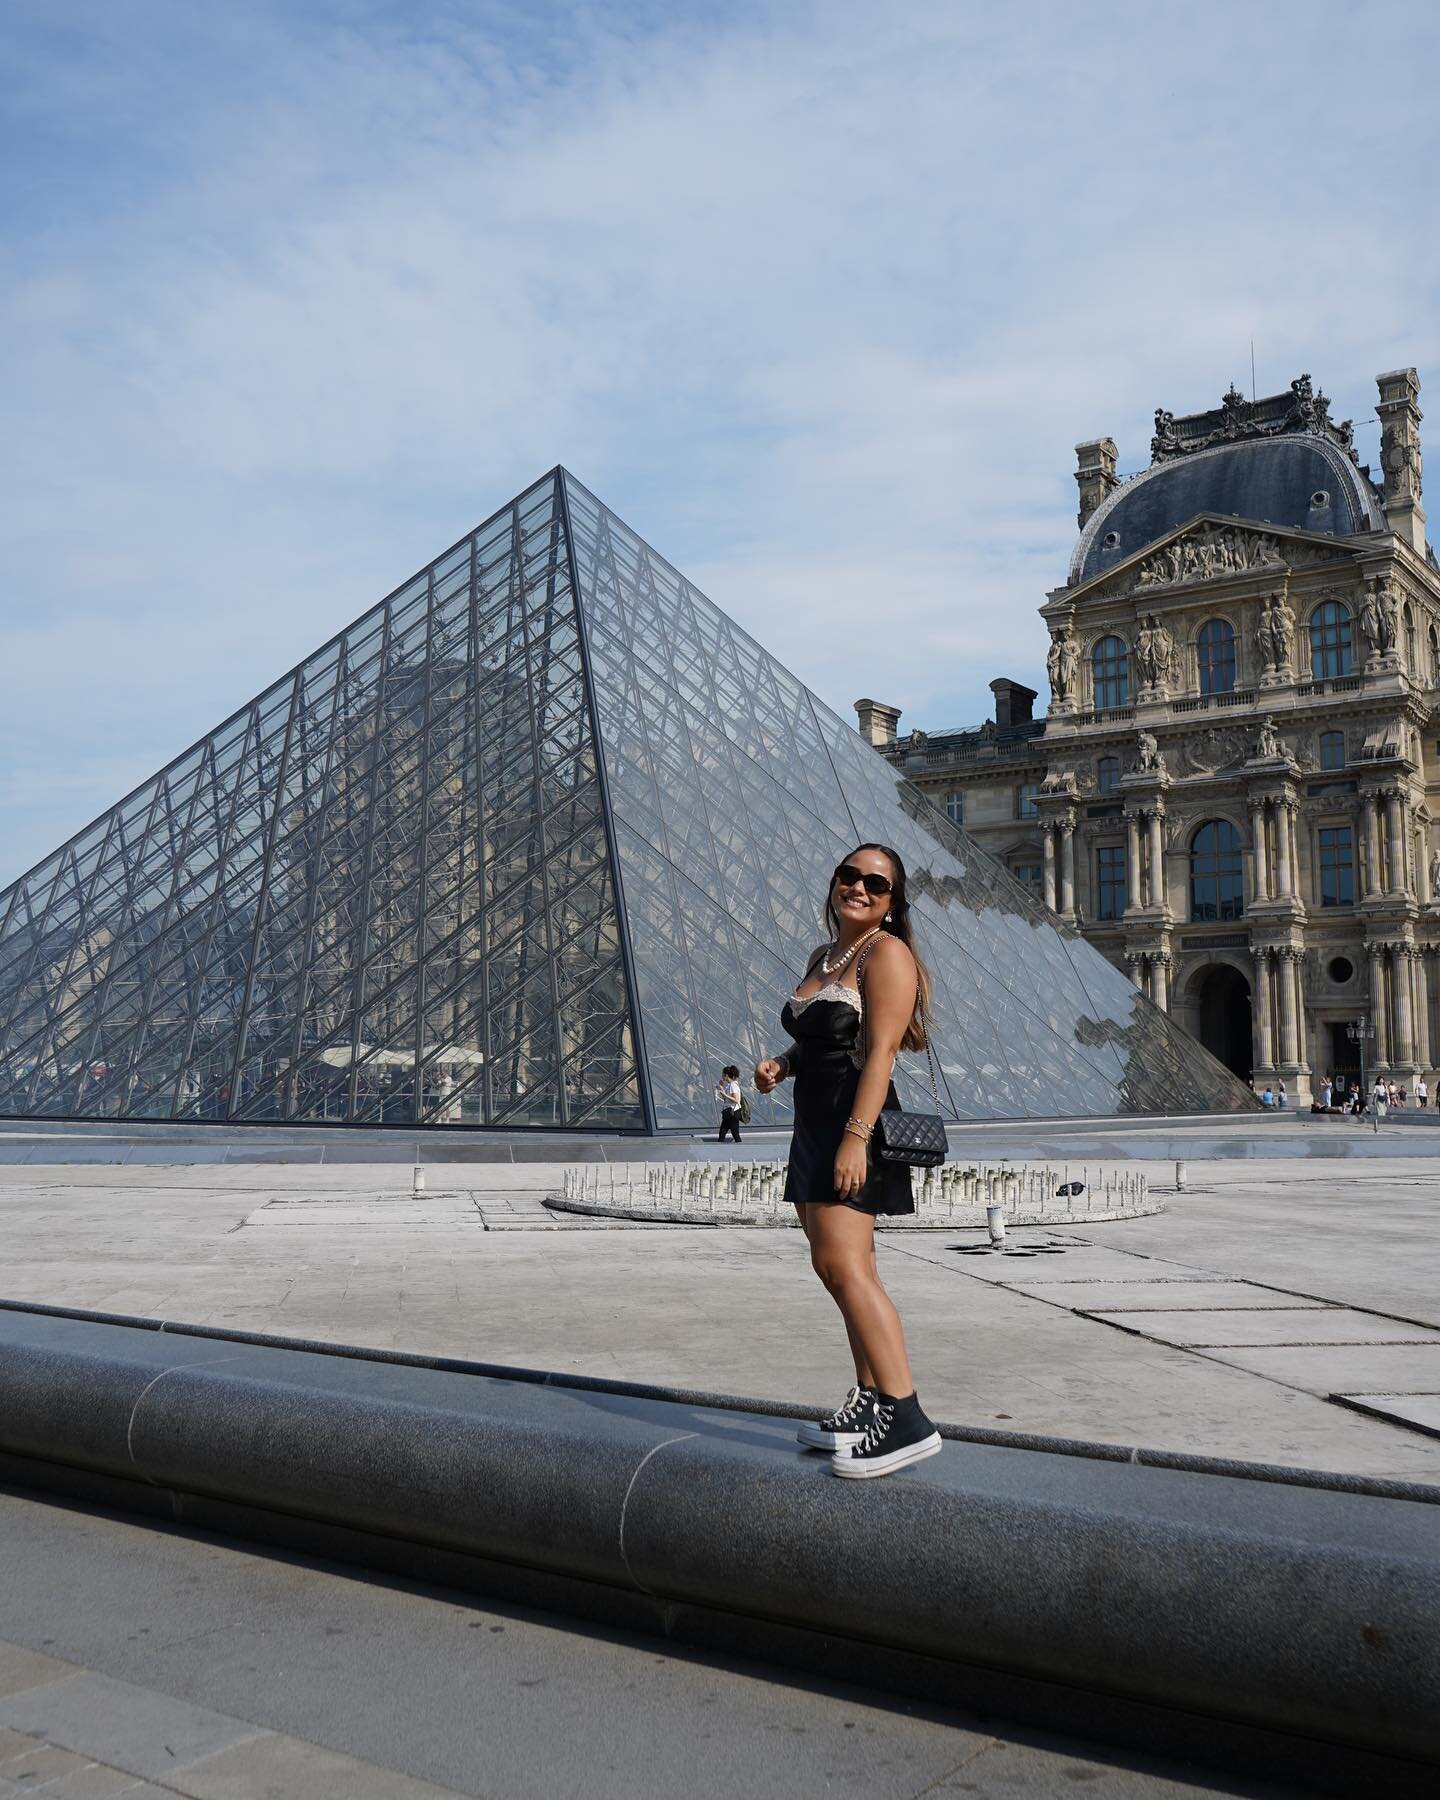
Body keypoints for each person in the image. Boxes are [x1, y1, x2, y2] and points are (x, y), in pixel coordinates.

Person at [755, 843, 941, 1480]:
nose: (859, 888)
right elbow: (823, 1039)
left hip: (850, 1122)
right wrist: (784, 1063)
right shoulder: (824, 956)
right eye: (849, 875)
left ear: (892, 904)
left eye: (877, 884)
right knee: (839, 1269)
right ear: (834, 882)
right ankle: (869, 1403)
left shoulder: (888, 955)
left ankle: (906, 1416)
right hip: (814, 1121)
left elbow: (882, 1052)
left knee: (845, 1266)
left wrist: (857, 1139)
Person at [715, 1065, 743, 1143]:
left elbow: (736, 1100)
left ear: (726, 1075)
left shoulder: (733, 1085)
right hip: (729, 1112)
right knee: (722, 1132)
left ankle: (740, 1149)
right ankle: (720, 1147)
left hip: (733, 1112)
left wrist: (725, 1095)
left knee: (735, 1134)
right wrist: (721, 1088)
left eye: (723, 1075)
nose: (722, 1077)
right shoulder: (730, 1085)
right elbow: (727, 1099)